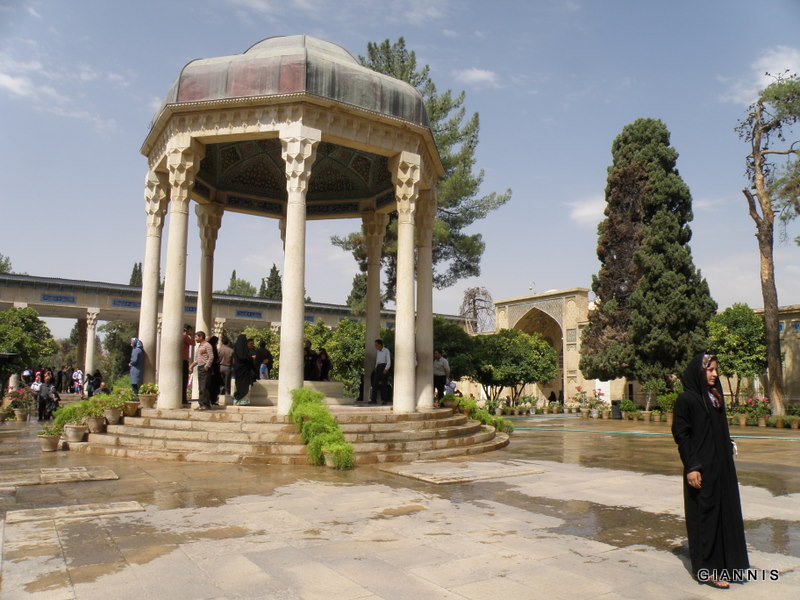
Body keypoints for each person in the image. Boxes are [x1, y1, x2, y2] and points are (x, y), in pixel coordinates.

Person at [672, 353, 749, 589]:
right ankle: (708, 571)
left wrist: (728, 443)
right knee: (705, 519)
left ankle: (730, 566)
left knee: (726, 514)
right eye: (711, 370)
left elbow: (717, 430)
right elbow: (681, 436)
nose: (715, 374)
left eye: (716, 370)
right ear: (699, 371)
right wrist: (692, 467)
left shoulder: (715, 398)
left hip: (722, 468)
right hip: (701, 470)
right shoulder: (687, 399)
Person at [189, 331, 213, 410]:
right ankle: (201, 404)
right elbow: (198, 359)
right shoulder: (199, 346)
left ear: (201, 337)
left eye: (196, 337)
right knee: (201, 387)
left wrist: (207, 366)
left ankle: (205, 404)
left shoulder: (207, 345)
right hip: (200, 367)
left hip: (205, 368)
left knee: (204, 387)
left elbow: (211, 357)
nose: (195, 339)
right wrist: (192, 365)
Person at [233, 334, 257, 405]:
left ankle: (238, 400)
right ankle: (241, 400)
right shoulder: (243, 348)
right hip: (244, 370)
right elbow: (242, 357)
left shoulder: (237, 347)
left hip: (239, 369)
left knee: (239, 385)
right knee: (244, 386)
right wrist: (251, 358)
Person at [369, 339, 391, 405]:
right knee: (374, 384)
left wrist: (386, 369)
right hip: (378, 367)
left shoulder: (386, 350)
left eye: (376, 344)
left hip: (383, 367)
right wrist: (375, 368)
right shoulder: (378, 351)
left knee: (384, 384)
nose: (375, 346)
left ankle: (385, 400)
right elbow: (377, 360)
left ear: (380, 344)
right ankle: (373, 400)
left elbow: (389, 361)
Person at [207, 335, 222, 406]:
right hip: (212, 369)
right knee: (212, 385)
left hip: (215, 369)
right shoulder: (211, 347)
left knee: (214, 385)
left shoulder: (214, 347)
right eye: (217, 341)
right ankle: (211, 400)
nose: (217, 343)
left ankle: (213, 399)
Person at [182, 325, 195, 404]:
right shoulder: (186, 337)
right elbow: (193, 343)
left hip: (181, 359)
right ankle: (183, 399)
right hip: (184, 359)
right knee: (184, 380)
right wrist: (192, 336)